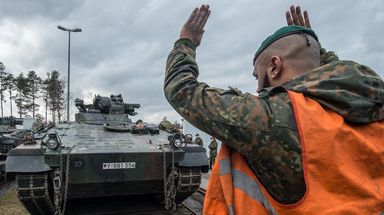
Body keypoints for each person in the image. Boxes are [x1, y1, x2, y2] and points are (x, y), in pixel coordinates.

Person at [164, 4, 383, 214]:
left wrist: (186, 43)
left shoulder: (271, 119)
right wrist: (314, 50)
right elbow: (335, 80)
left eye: (258, 76)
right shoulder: (370, 105)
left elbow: (182, 90)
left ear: (275, 66)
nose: (258, 87)